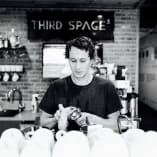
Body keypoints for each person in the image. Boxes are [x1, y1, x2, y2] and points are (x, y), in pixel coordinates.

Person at [39, 36, 122, 132]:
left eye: (82, 61)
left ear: (91, 61)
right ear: (68, 60)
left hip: (97, 145)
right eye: (73, 61)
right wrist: (58, 118)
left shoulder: (107, 87)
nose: (77, 67)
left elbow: (117, 126)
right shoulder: (56, 87)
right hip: (63, 144)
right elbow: (43, 122)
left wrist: (94, 119)